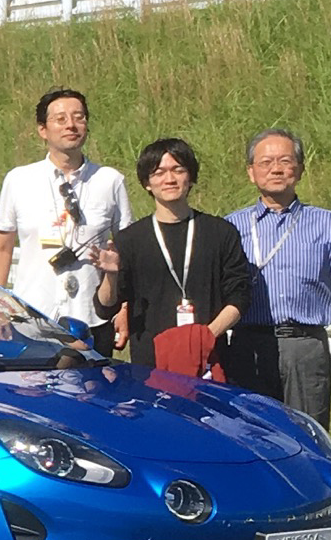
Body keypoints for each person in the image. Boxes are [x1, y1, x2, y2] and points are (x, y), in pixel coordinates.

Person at [222, 132, 331, 424]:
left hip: (305, 346)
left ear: (299, 169)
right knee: (249, 433)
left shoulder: (327, 224)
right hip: (248, 345)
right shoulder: (230, 227)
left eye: (285, 161)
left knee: (307, 433)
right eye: (266, 162)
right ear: (251, 172)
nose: (276, 169)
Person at [94, 137, 254, 377]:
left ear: (191, 177)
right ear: (147, 183)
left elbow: (239, 295)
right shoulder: (130, 240)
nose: (169, 179)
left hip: (209, 359)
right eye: (159, 173)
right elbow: (105, 308)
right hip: (150, 364)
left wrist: (203, 339)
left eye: (178, 170)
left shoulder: (220, 232)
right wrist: (111, 275)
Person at [0, 88, 133, 348]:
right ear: (43, 130)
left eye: (79, 117)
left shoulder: (110, 180)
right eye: (61, 119)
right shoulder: (19, 180)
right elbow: (1, 247)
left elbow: (126, 251)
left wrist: (124, 308)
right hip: (31, 316)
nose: (71, 125)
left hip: (93, 317)